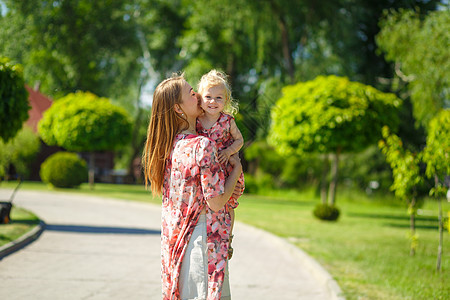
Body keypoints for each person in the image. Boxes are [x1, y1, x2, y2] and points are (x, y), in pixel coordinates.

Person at [142, 73, 242, 300]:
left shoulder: (169, 146)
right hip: (203, 246)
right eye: (191, 93)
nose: (197, 95)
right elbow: (216, 202)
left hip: (176, 248)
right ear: (178, 109)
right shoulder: (202, 146)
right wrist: (235, 171)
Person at [196, 70, 245, 259]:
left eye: (218, 98)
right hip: (207, 173)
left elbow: (239, 140)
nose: (213, 102)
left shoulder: (227, 120)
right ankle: (208, 237)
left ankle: (229, 239)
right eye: (208, 97)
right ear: (200, 98)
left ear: (226, 100)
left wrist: (228, 152)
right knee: (209, 205)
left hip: (227, 169)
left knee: (229, 205)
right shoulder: (197, 121)